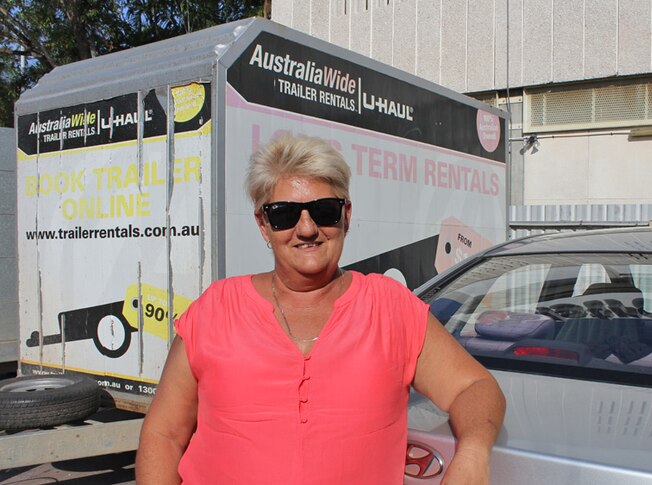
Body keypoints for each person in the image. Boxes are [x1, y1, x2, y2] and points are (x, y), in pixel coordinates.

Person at [135, 134, 505, 484]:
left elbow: (474, 387)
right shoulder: (215, 310)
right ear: (264, 225)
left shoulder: (391, 309)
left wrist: (472, 454)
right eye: (284, 214)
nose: (307, 228)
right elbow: (164, 434)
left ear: (345, 215)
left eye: (324, 210)